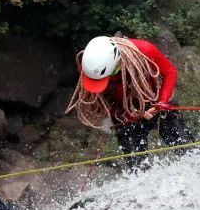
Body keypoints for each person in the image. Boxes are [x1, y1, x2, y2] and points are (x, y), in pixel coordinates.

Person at [66, 36, 193, 168]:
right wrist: (107, 118)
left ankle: (192, 165)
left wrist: (162, 102)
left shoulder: (143, 50)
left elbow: (169, 71)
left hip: (154, 100)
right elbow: (93, 98)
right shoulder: (91, 67)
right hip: (123, 112)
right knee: (136, 167)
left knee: (185, 148)